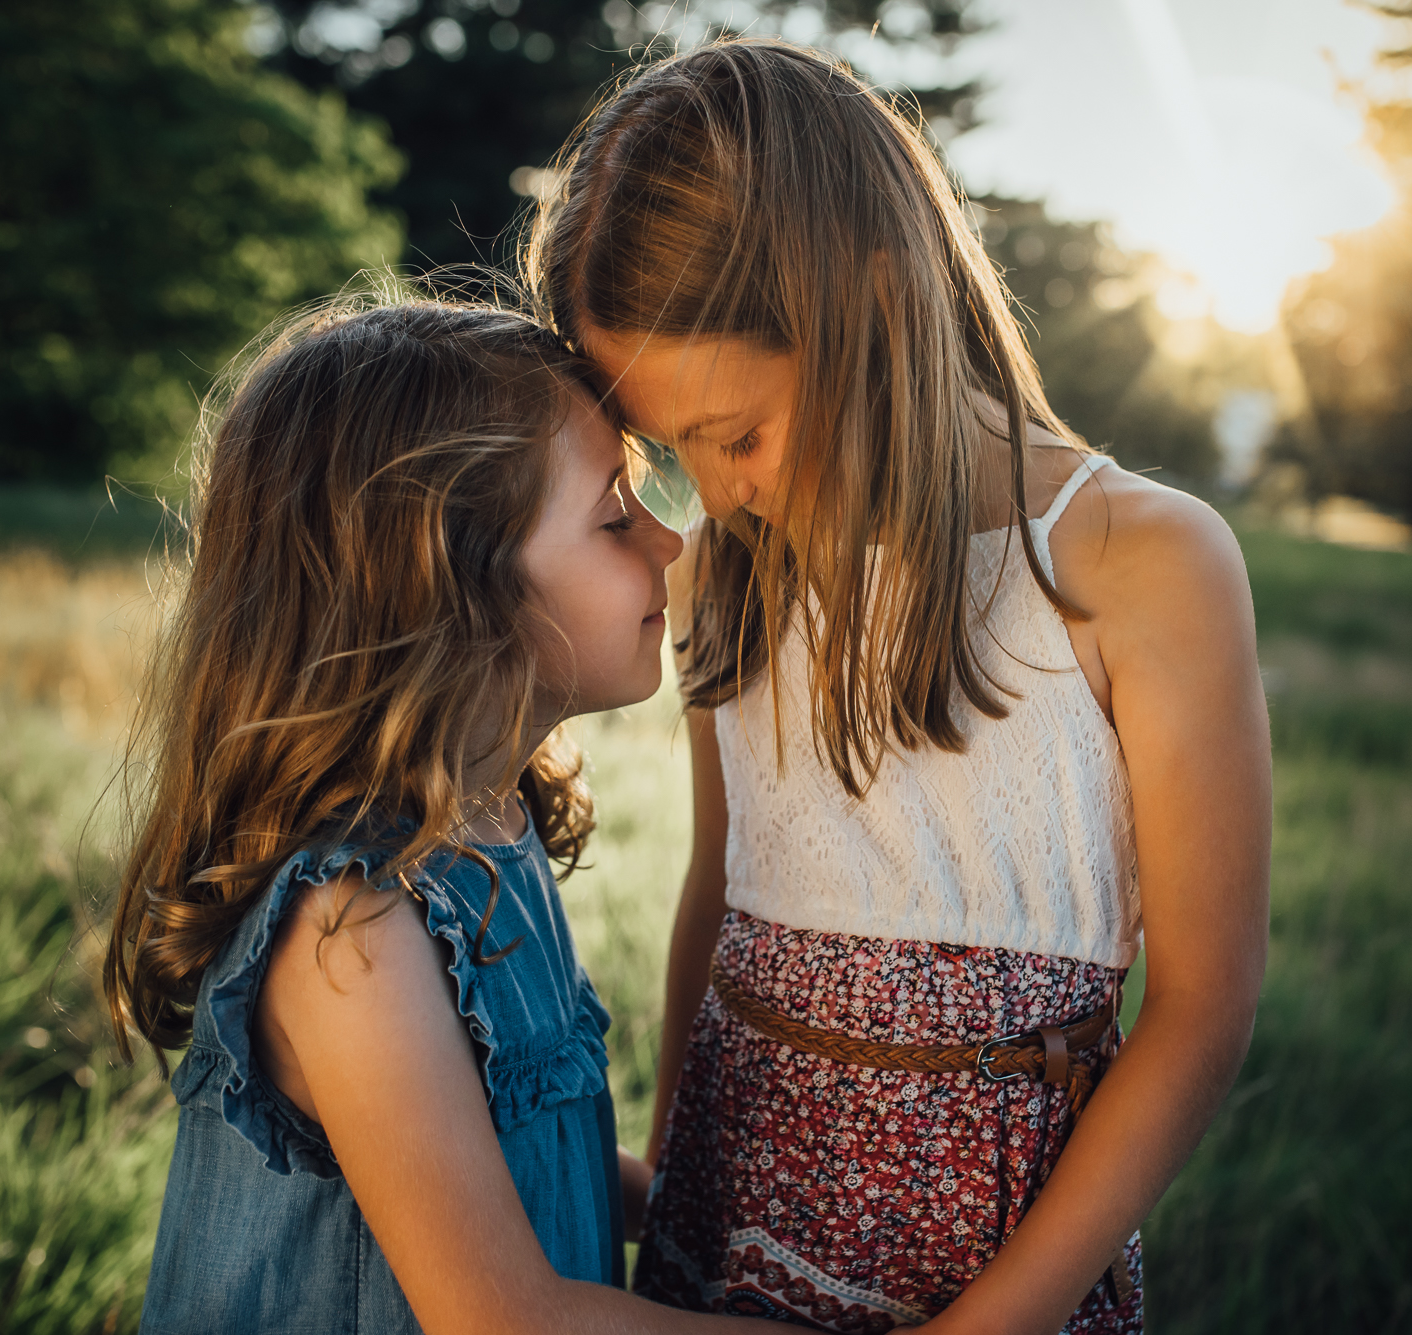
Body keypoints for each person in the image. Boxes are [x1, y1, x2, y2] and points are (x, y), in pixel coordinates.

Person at [525, 39, 1272, 1335]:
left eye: (738, 434)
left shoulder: (1140, 563)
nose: (723, 495)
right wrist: (679, 1174)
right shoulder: (729, 575)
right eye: (680, 457)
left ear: (873, 302)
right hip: (729, 1219)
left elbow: (1203, 1006)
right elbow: (723, 887)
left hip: (995, 1264)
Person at [104, 299, 767, 1334]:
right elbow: (509, 1316)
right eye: (613, 514)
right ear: (450, 585)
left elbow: (537, 1164)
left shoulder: (486, 827)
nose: (672, 540)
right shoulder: (353, 936)